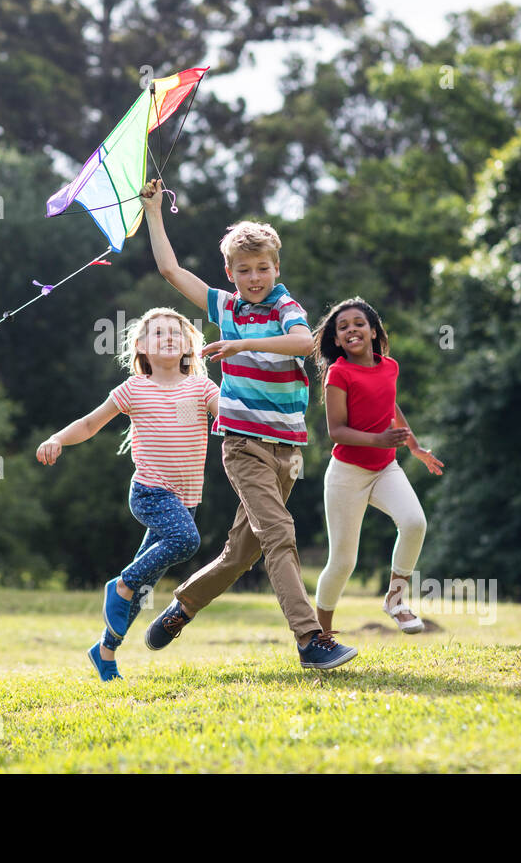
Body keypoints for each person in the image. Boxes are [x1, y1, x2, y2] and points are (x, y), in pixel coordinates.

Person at [137, 179, 357, 670]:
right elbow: (172, 271)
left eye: (262, 269)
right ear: (230, 272)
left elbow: (305, 343)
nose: (254, 277)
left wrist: (242, 346)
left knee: (242, 552)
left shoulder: (284, 307)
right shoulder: (226, 306)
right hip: (242, 445)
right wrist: (154, 212)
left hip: (288, 451)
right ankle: (310, 641)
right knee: (280, 533)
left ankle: (183, 605)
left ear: (276, 268)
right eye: (243, 270)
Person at [37, 307, 219, 680]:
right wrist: (57, 438)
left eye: (176, 332)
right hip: (150, 493)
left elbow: (230, 418)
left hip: (187, 501)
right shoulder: (134, 389)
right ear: (140, 347)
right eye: (157, 333)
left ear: (190, 346)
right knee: (185, 541)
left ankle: (104, 651)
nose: (168, 337)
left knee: (146, 584)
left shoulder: (202, 388)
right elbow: (90, 423)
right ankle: (120, 584)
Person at [309, 298, 444, 635]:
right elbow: (336, 431)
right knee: (343, 563)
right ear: (337, 340)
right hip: (346, 475)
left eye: (358, 323)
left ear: (372, 330)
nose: (351, 329)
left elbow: (390, 404)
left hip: (385, 469)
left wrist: (414, 446)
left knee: (414, 523)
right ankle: (319, 633)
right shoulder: (339, 373)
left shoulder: (390, 367)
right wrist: (379, 440)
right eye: (343, 327)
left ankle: (395, 601)